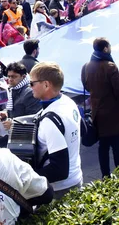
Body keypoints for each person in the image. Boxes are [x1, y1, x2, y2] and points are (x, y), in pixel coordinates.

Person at [81, 37, 119, 178]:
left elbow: (86, 86)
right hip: (113, 112)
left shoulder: (86, 66)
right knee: (117, 146)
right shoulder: (110, 66)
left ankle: (105, 176)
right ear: (105, 48)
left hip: (97, 113)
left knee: (103, 147)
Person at [29, 62, 82, 199]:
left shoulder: (50, 121)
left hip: (60, 190)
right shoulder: (68, 102)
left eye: (32, 83)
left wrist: (27, 179)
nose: (30, 88)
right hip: (76, 179)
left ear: (46, 84)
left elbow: (59, 170)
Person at [0, 62, 41, 132]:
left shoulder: (30, 93)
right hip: (17, 135)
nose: (10, 79)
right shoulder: (14, 89)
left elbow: (34, 120)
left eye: (14, 76)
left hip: (26, 137)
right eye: (9, 76)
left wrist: (14, 125)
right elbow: (17, 108)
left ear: (23, 76)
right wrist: (6, 113)